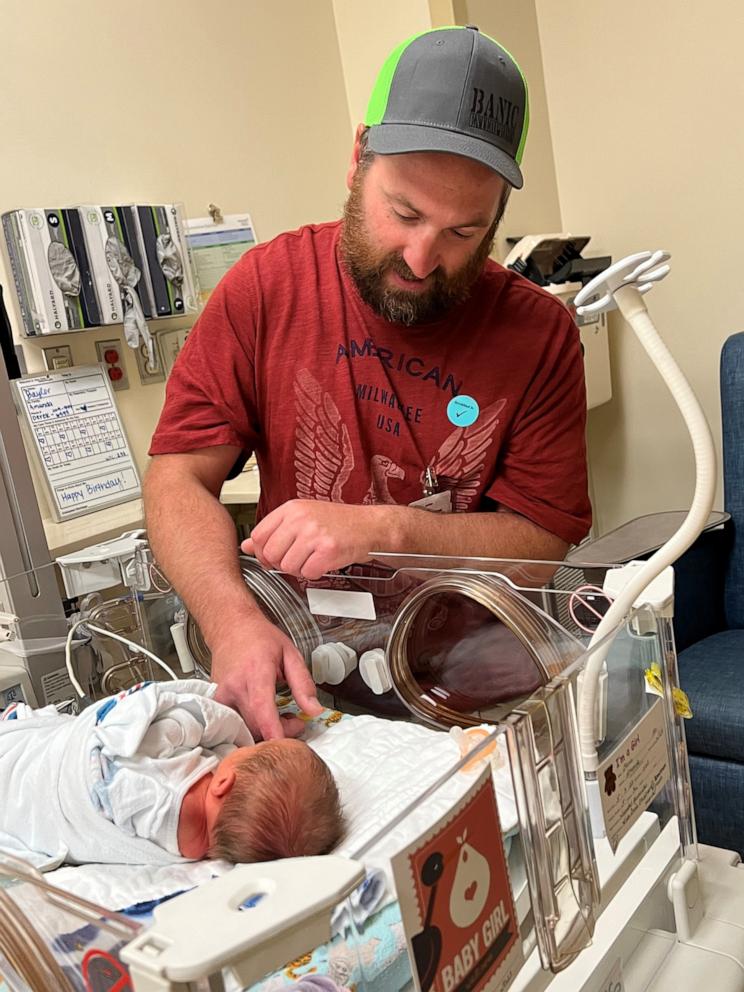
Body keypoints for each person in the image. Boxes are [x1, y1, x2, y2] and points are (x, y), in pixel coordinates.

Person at [145, 26, 592, 741]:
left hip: (466, 693)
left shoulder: (538, 335)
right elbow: (178, 478)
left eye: (462, 232)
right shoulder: (269, 289)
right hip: (300, 685)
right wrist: (229, 621)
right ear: (359, 159)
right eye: (405, 213)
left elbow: (540, 545)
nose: (422, 257)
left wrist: (387, 530)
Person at [0, 680, 343, 868]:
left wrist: (237, 722)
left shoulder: (160, 771)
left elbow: (185, 712)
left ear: (223, 782)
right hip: (33, 820)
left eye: (252, 749)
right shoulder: (191, 852)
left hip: (44, 769)